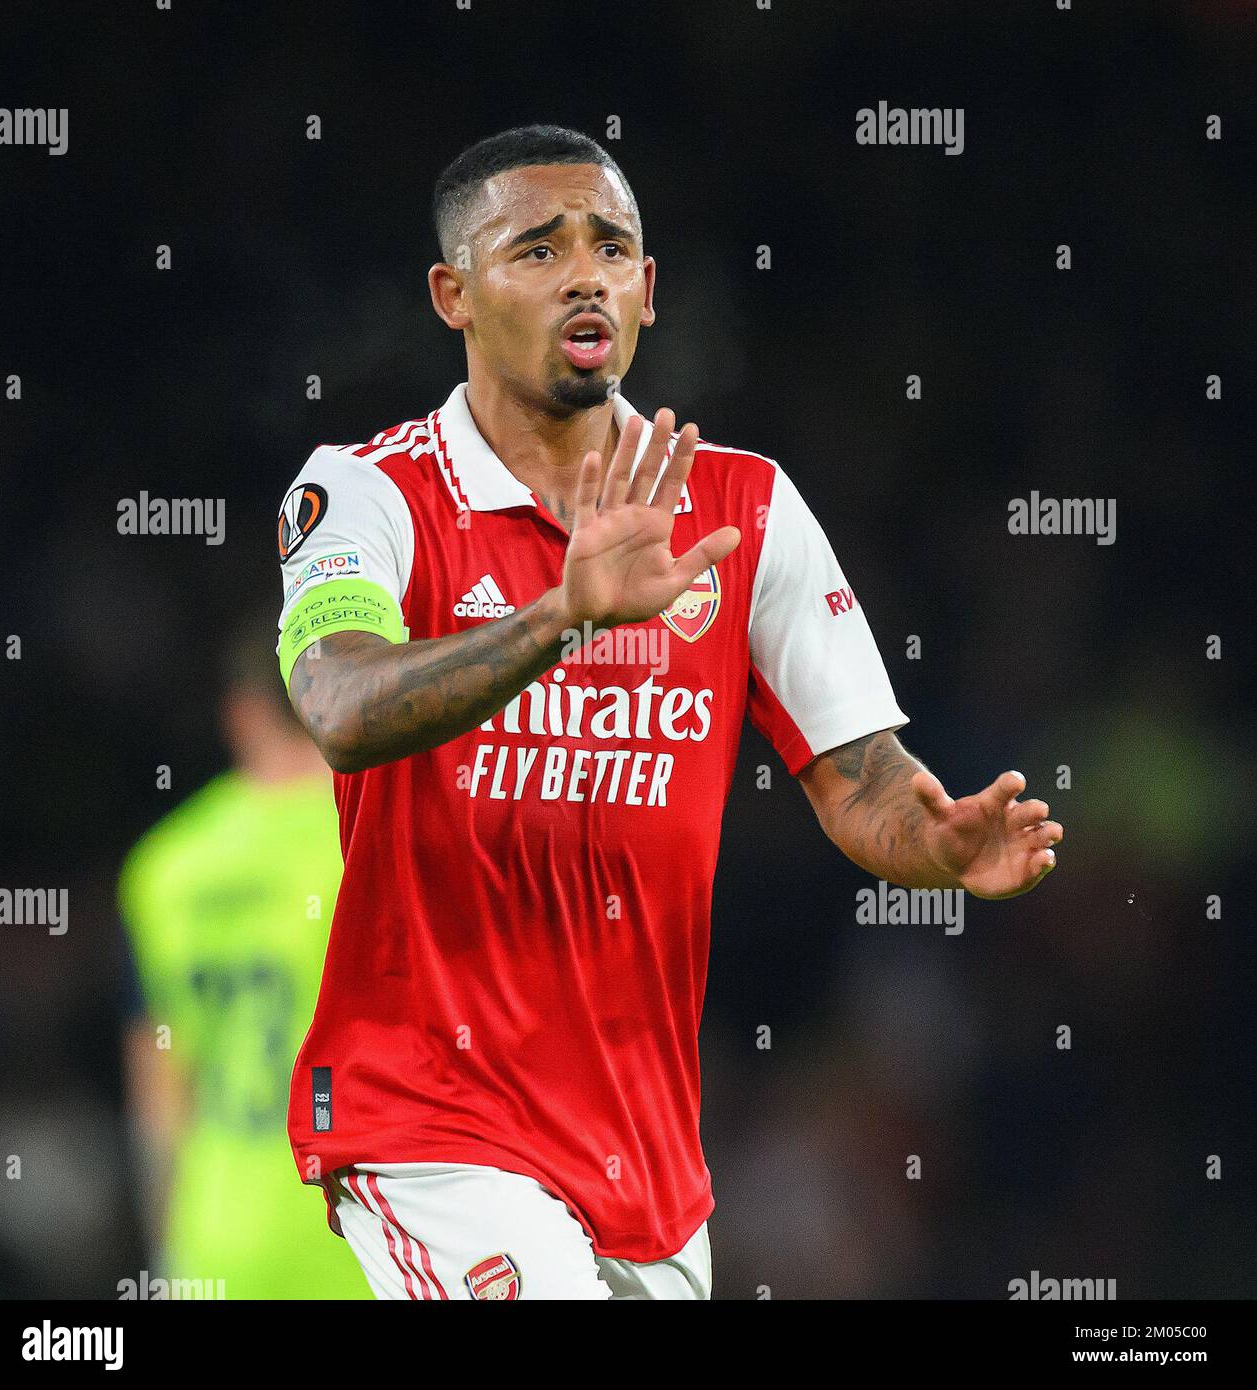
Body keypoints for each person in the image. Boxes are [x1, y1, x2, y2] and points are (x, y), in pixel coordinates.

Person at [273, 124, 1063, 1301]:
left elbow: (862, 780)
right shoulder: (366, 490)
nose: (584, 271)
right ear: (454, 294)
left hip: (643, 1155)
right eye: (536, 249)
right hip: (429, 1115)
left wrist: (932, 844)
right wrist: (556, 616)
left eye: (611, 247)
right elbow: (337, 704)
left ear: (647, 292)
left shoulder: (744, 505)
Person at [120, 625, 368, 1298]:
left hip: (217, 1245)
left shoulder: (164, 866)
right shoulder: (378, 838)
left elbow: (159, 1090)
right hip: (366, 1238)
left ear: (243, 711)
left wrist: (170, 1256)